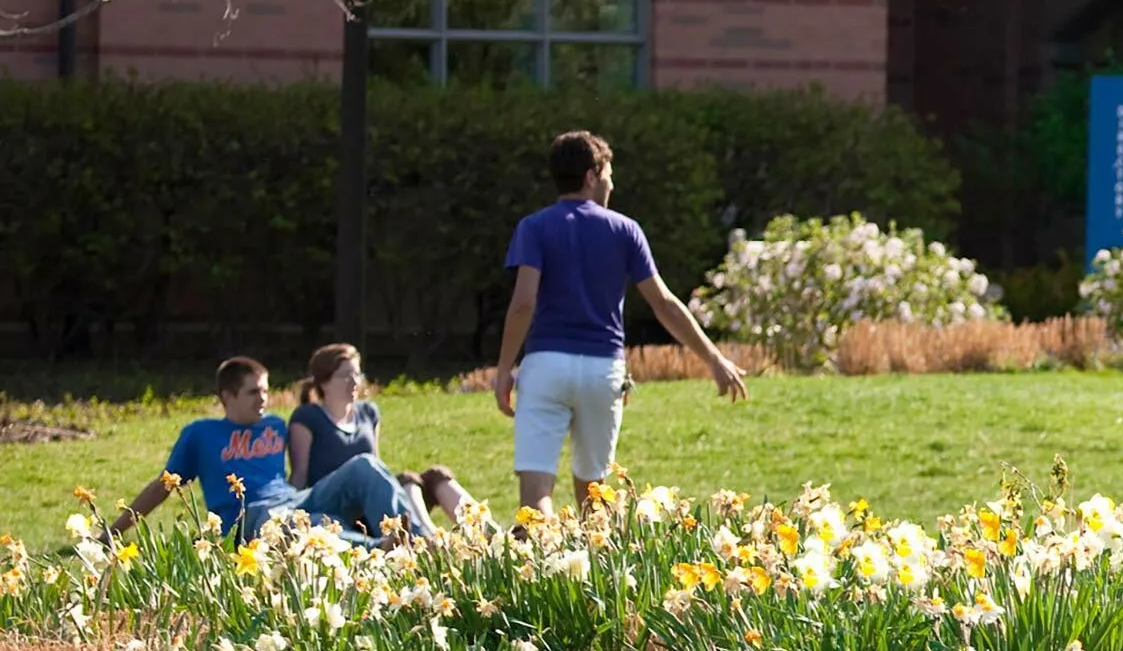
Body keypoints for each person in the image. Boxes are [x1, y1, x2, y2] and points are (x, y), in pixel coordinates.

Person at [493, 129, 747, 512]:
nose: (612, 182)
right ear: (592, 176)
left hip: (545, 365)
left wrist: (503, 370)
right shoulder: (625, 229)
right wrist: (715, 359)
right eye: (609, 173)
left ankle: (540, 563)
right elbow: (664, 303)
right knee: (594, 494)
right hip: (603, 370)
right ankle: (592, 570)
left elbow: (523, 304)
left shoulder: (534, 227)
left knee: (536, 492)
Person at [107, 356, 418, 545]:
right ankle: (377, 550)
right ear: (227, 396)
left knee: (365, 465)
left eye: (267, 390)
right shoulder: (200, 434)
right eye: (254, 392)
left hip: (296, 500)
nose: (264, 399)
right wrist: (114, 532)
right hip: (250, 518)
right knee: (291, 526)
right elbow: (162, 487)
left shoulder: (275, 425)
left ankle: (420, 544)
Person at [288, 343, 472, 527]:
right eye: (345, 376)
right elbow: (299, 477)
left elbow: (377, 466)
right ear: (324, 381)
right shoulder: (308, 418)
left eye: (357, 374)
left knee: (433, 477)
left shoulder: (368, 412)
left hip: (375, 503)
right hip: (341, 509)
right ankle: (425, 541)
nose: (354, 382)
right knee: (404, 480)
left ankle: (487, 536)